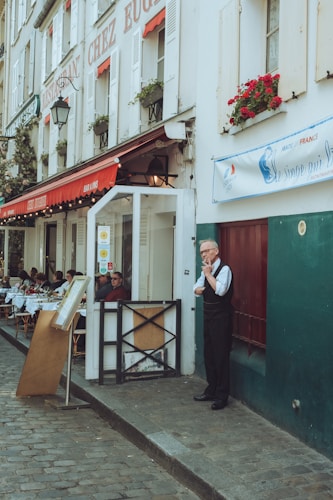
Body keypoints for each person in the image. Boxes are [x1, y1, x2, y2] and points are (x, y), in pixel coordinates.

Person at [193, 239, 233, 410]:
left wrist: (209, 275)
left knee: (221, 356)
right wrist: (198, 287)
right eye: (201, 252)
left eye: (206, 251)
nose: (203, 255)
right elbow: (196, 288)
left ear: (215, 251)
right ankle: (211, 389)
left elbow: (221, 290)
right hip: (208, 316)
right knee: (209, 354)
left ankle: (222, 396)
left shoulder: (225, 270)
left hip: (221, 318)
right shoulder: (205, 270)